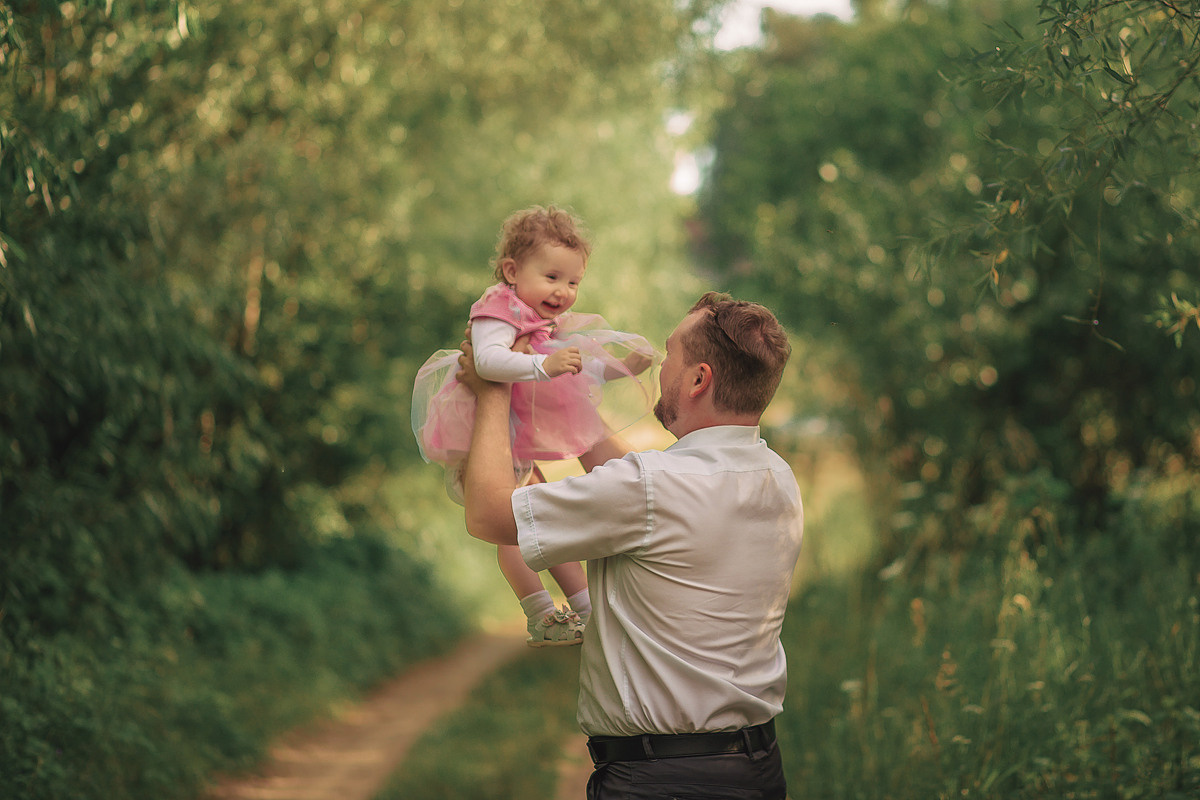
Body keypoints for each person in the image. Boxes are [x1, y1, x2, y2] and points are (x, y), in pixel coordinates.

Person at [457, 291, 803, 799]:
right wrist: (567, 402)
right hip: (758, 772)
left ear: (698, 379)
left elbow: (487, 513)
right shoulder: (777, 477)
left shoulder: (649, 487)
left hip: (660, 783)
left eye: (671, 353)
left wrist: (492, 389)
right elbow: (636, 489)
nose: (661, 367)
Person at [410, 205, 658, 647]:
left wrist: (620, 369)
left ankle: (587, 609)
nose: (563, 291)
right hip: (483, 434)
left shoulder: (539, 320)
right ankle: (541, 614)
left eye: (573, 282)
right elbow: (487, 362)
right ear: (512, 271)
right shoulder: (497, 309)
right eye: (552, 277)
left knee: (533, 519)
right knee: (511, 525)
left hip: (511, 432)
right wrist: (544, 365)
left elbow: (577, 371)